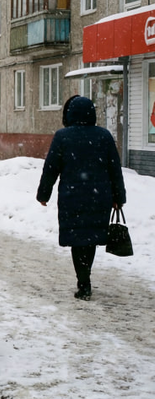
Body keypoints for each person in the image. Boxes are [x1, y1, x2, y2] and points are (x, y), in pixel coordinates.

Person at [36, 95, 126, 301]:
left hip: (72, 197)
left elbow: (51, 168)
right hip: (98, 198)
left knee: (78, 240)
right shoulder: (104, 136)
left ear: (70, 114)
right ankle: (86, 276)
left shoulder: (63, 136)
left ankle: (83, 281)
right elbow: (115, 170)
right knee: (90, 239)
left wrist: (43, 194)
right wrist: (118, 197)